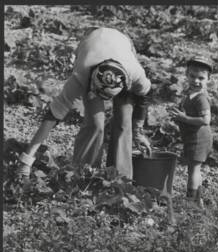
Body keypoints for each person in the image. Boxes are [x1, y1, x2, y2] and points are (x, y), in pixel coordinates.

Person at [17, 27, 152, 180]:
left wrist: (138, 131)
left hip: (122, 44)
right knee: (95, 124)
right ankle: (84, 175)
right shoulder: (82, 74)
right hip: (91, 44)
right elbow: (53, 116)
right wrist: (26, 160)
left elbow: (144, 96)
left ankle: (119, 179)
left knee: (124, 123)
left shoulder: (135, 75)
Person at [170, 55, 213, 206]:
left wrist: (184, 118)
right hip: (192, 137)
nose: (196, 81)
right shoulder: (190, 94)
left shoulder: (201, 99)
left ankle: (190, 200)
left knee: (193, 169)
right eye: (192, 76)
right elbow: (186, 112)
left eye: (201, 78)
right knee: (195, 168)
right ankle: (198, 200)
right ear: (187, 74)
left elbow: (205, 121)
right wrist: (178, 114)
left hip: (199, 139)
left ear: (208, 79)